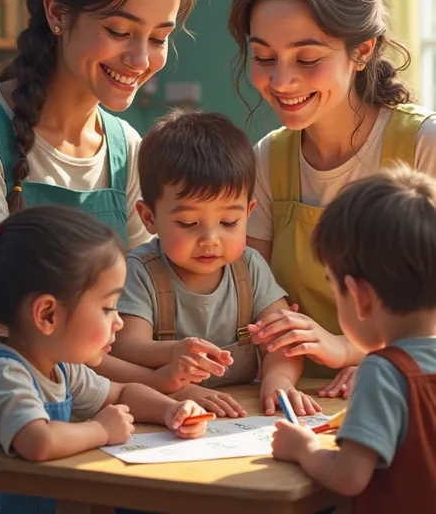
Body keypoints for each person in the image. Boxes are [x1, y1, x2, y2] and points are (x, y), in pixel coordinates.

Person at [0, 0, 199, 381]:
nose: (140, 58)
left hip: (100, 418)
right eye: (119, 31)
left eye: (158, 37)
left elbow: (137, 315)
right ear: (56, 11)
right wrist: (143, 382)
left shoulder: (126, 146)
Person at [228, 0, 436, 397]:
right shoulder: (268, 158)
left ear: (362, 50)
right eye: (263, 57)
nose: (281, 81)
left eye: (307, 58)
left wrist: (354, 351)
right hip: (290, 401)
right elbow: (250, 301)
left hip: (406, 396)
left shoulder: (424, 145)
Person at [0, 206, 208, 514]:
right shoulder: (5, 375)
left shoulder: (60, 368)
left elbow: (122, 393)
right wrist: (101, 430)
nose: (118, 321)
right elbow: (39, 441)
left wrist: (171, 411)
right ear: (47, 315)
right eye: (107, 308)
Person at [115, 110, 321, 418]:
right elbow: (126, 348)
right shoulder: (142, 269)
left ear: (249, 212)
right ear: (149, 218)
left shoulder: (249, 267)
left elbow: (282, 341)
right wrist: (176, 374)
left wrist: (278, 380)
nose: (210, 239)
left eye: (228, 221)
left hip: (243, 412)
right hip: (167, 409)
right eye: (187, 223)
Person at [272, 165, 436, 512]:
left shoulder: (383, 371)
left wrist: (304, 448)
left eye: (333, 287)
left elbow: (350, 476)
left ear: (358, 296)